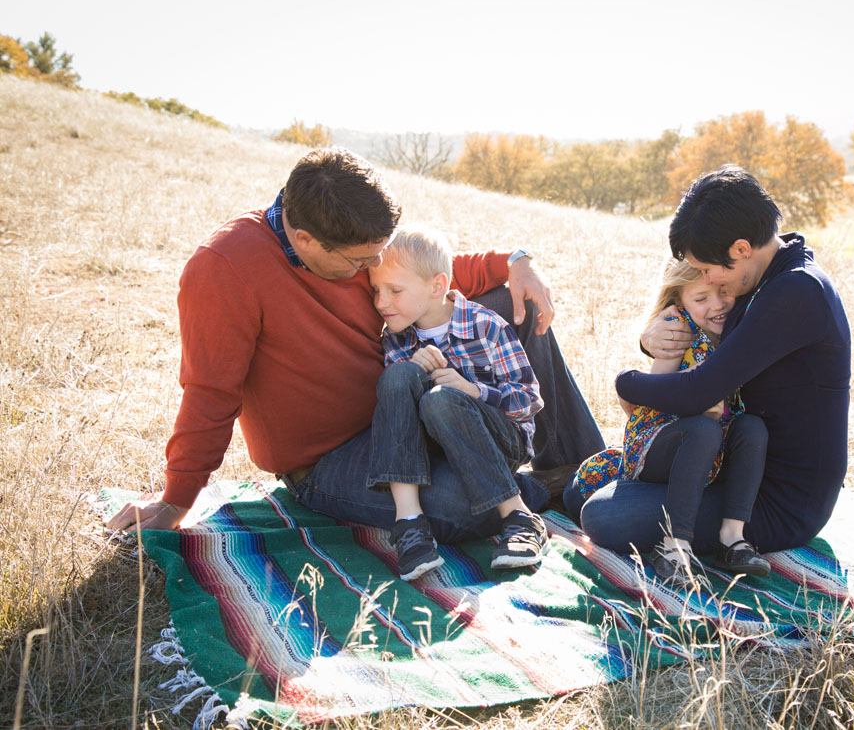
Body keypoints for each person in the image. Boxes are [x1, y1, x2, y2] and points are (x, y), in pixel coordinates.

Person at [106, 147, 605, 541]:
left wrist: (516, 260)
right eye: (359, 263)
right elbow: (209, 393)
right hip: (334, 456)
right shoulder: (224, 269)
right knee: (457, 510)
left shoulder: (354, 234)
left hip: (412, 398)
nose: (371, 271)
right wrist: (177, 500)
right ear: (305, 241)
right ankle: (536, 487)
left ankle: (594, 470)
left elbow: (424, 271)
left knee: (514, 300)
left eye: (377, 255)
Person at [571, 165, 851, 568]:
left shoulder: (797, 291)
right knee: (587, 490)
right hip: (730, 465)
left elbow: (700, 390)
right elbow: (710, 342)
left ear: (740, 249)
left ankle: (717, 540)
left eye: (707, 270)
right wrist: (651, 340)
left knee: (603, 515)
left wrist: (624, 382)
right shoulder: (768, 277)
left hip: (775, 501)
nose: (706, 279)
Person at [568, 260, 770, 584]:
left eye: (723, 292)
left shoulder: (738, 330)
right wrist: (694, 393)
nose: (716, 305)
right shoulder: (679, 329)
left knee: (751, 428)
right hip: (659, 445)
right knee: (703, 429)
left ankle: (732, 537)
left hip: (711, 447)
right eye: (701, 299)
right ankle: (674, 545)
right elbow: (655, 397)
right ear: (680, 302)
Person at [367, 226, 548, 580]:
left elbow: (529, 400)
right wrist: (412, 369)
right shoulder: (397, 339)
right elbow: (398, 413)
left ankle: (520, 517)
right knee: (400, 377)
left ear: (436, 286)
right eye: (376, 291)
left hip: (502, 441)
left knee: (442, 400)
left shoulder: (486, 326)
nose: (380, 303)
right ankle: (409, 524)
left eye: (394, 290)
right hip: (440, 447)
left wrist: (473, 391)